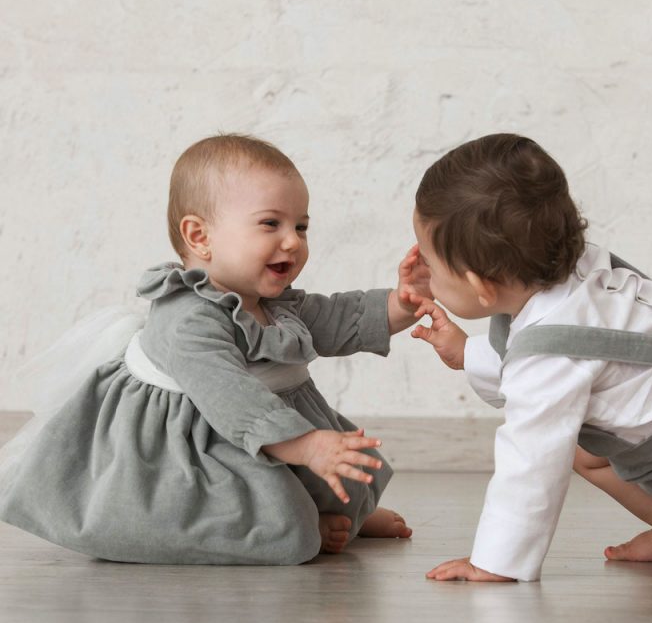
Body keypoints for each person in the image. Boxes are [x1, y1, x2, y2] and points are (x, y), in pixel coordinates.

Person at [0, 133, 430, 564]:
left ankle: (343, 517)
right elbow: (231, 398)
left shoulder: (273, 304)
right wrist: (304, 446)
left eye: (300, 226)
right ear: (199, 236)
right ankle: (297, 527)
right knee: (263, 509)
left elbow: (337, 317)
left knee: (347, 473)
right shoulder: (188, 318)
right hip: (190, 447)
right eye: (270, 224)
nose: (293, 241)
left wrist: (401, 301)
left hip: (260, 431)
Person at [409, 133, 652, 582]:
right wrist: (464, 351)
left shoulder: (552, 353)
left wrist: (496, 561)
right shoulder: (569, 267)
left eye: (432, 267)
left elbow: (531, 460)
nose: (424, 274)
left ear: (481, 285)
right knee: (579, 448)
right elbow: (546, 361)